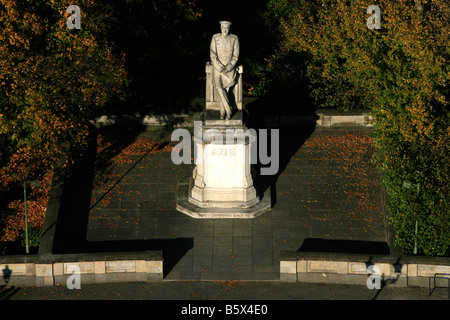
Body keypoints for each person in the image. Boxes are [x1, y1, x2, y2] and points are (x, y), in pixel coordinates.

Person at [210, 21, 240, 120]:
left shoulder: (234, 38)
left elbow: (235, 56)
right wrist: (219, 67)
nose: (225, 30)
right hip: (218, 69)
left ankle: (223, 113)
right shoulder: (215, 37)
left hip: (229, 69)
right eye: (223, 27)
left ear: (229, 28)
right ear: (220, 28)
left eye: (227, 28)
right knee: (219, 88)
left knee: (226, 89)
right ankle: (229, 110)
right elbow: (213, 54)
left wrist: (228, 67)